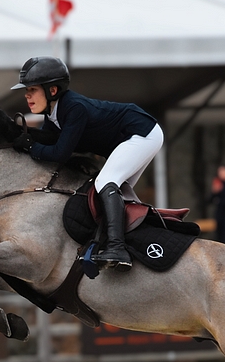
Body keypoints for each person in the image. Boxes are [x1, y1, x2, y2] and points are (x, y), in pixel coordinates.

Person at [11, 56, 163, 270]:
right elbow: (48, 139)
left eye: (32, 89)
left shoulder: (74, 108)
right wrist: (15, 134)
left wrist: (30, 146)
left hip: (141, 132)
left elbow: (59, 153)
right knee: (115, 190)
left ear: (52, 90)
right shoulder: (54, 114)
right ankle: (126, 244)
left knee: (105, 183)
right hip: (135, 135)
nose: (27, 95)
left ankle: (118, 248)